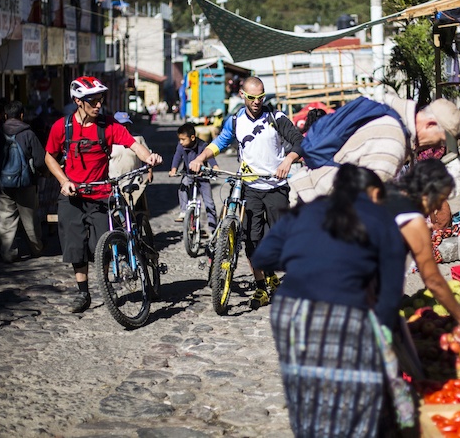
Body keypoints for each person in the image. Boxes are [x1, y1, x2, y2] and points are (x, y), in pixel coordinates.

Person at [251, 165, 407, 438]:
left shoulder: (306, 210)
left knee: (305, 390)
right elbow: (391, 294)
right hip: (345, 312)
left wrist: (305, 257)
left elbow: (263, 258)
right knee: (355, 397)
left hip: (292, 312)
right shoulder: (380, 218)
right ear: (373, 193)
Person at [44, 76, 162, 313]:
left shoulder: (108, 125)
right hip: (73, 194)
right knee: (74, 244)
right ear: (78, 101)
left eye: (100, 100)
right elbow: (49, 156)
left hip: (101, 193)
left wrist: (148, 156)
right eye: (93, 101)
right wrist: (64, 181)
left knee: (101, 245)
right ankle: (83, 293)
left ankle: (106, 284)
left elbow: (132, 143)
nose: (99, 105)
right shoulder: (62, 127)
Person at [189, 76, 304, 309]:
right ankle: (261, 288)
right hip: (249, 187)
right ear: (243, 95)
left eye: (261, 97)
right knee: (252, 240)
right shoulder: (235, 120)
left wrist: (289, 159)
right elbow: (220, 142)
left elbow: (299, 141)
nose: (257, 101)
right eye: (252, 97)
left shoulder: (276, 117)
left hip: (275, 186)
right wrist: (201, 157)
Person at [289, 91, 460, 204]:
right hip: (318, 204)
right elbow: (367, 202)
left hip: (310, 193)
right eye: (441, 141)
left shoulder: (388, 113)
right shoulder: (393, 142)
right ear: (430, 125)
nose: (438, 147)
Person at [386, 159, 460, 341]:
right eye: (439, 200)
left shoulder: (387, 194)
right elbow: (433, 280)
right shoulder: (411, 218)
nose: (437, 207)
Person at [0, 101, 46, 263]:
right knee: (30, 218)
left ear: (5, 115)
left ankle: (8, 253)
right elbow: (40, 160)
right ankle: (36, 249)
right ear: (22, 115)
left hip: (4, 184)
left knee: (6, 219)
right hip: (26, 183)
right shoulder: (28, 133)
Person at [169, 122, 219, 234]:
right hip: (189, 174)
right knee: (183, 187)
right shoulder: (181, 146)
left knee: (209, 203)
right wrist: (173, 169)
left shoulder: (203, 145)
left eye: (183, 139)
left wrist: (215, 167)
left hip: (203, 177)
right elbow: (177, 157)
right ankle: (184, 211)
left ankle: (213, 229)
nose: (181, 142)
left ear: (192, 137)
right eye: (179, 139)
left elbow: (210, 158)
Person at [108, 111, 153, 215]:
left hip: (134, 180)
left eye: (127, 125)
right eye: (122, 125)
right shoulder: (110, 141)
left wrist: (150, 171)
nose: (125, 128)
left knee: (137, 210)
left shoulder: (137, 139)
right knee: (117, 212)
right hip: (115, 181)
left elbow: (148, 156)